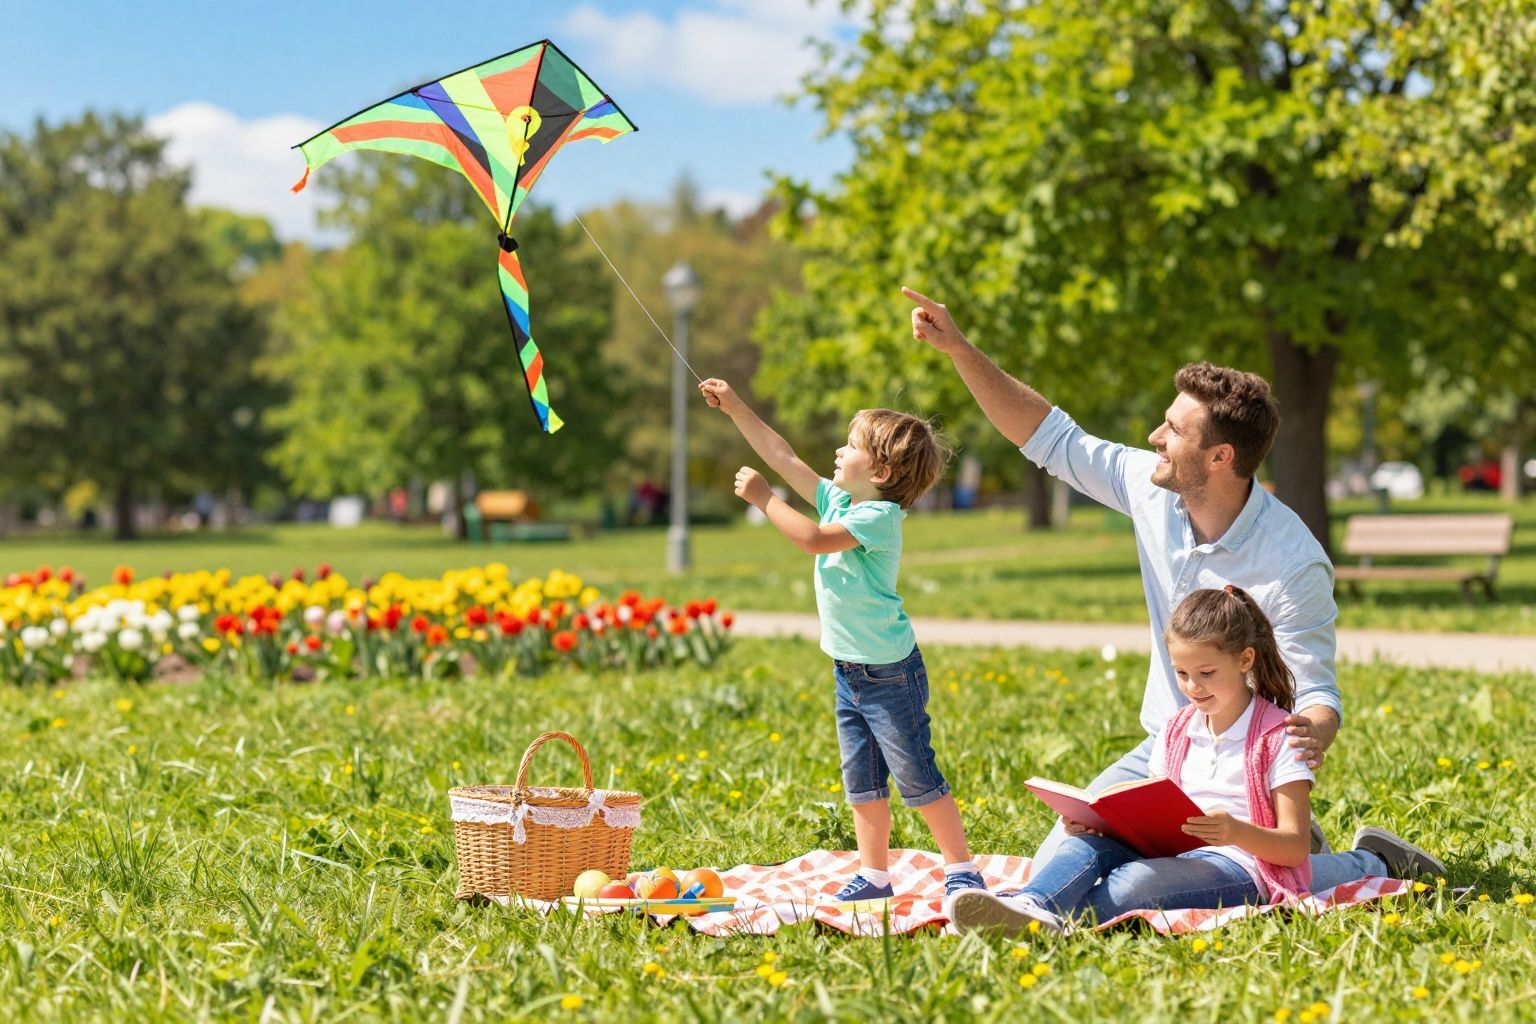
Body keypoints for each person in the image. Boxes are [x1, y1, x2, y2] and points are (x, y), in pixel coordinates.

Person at [901, 286, 1444, 892]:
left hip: (1242, 767)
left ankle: (1343, 861)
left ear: (1220, 457)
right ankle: (1291, 856)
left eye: (1173, 429)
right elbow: (1049, 437)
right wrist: (959, 350)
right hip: (1165, 752)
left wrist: (1311, 731)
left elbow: (1314, 687)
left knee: (1137, 884)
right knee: (1060, 856)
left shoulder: (1292, 562)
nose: (1155, 437)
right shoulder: (1150, 486)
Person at [952, 586, 1403, 935]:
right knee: (1081, 847)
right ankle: (1030, 906)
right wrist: (1099, 824)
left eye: (1206, 673)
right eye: (1182, 673)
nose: (1193, 686)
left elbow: (1293, 847)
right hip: (1177, 851)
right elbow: (1152, 806)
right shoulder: (1177, 729)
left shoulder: (1277, 735)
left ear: (1245, 659)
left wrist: (1234, 832)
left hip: (1242, 864)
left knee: (1134, 884)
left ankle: (1042, 921)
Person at [698, 376, 987, 902]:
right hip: (850, 671)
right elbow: (782, 455)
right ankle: (874, 876)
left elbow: (810, 539)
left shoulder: (877, 516)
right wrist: (736, 405)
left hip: (889, 674)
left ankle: (962, 869)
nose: (839, 449)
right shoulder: (840, 501)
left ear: (879, 472)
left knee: (917, 777)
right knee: (862, 782)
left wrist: (766, 501)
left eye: (851, 445)